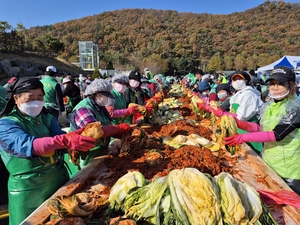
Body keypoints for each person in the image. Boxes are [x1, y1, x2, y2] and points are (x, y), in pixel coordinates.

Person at [0, 78, 96, 225]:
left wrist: (77, 139)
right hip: (28, 189)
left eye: (40, 97)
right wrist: (64, 140)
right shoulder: (6, 123)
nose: (36, 101)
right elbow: (29, 145)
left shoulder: (47, 118)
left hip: (59, 181)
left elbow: (61, 141)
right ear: (16, 98)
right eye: (30, 97)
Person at [224, 67, 300, 195]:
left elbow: (276, 135)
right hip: (269, 162)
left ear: (291, 85)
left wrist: (243, 138)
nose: (275, 87)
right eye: (272, 83)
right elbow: (261, 128)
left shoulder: (295, 109)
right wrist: (242, 124)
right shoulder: (269, 105)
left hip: (290, 168)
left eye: (281, 84)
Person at [68, 78, 131, 177]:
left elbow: (107, 124)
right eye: (106, 96)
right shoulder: (83, 109)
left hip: (100, 153)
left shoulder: (101, 108)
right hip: (87, 156)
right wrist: (118, 128)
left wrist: (119, 133)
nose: (108, 99)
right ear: (97, 95)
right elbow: (95, 131)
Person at [213, 71, 264, 153]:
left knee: (251, 156)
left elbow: (242, 117)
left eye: (240, 79)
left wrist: (224, 115)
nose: (237, 81)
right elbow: (232, 111)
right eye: (234, 80)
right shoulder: (236, 95)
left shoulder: (249, 94)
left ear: (246, 81)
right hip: (238, 130)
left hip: (249, 132)